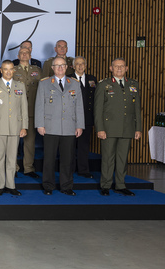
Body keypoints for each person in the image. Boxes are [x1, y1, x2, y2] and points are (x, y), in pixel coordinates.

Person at [35, 57, 84, 196]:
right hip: (50, 126)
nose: (60, 68)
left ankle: (66, 186)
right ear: (52, 68)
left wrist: (79, 125)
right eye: (57, 66)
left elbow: (79, 107)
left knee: (67, 159)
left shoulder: (74, 84)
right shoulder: (44, 84)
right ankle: (48, 185)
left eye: (62, 65)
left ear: (67, 67)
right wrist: (40, 124)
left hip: (69, 126)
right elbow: (39, 106)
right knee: (49, 159)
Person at [95, 58, 141, 196]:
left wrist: (138, 128)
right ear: (111, 68)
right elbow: (98, 110)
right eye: (116, 66)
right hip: (109, 128)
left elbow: (137, 108)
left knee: (122, 158)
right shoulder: (104, 84)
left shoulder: (133, 84)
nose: (119, 69)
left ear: (126, 68)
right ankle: (105, 185)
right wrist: (100, 128)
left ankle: (120, 185)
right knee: (108, 158)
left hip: (127, 127)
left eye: (122, 66)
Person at [0, 60, 27, 196]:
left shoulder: (20, 85)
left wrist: (24, 126)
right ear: (1, 71)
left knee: (12, 158)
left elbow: (24, 108)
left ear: (13, 70)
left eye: (10, 69)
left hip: (15, 127)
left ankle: (10, 185)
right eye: (5, 69)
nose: (8, 72)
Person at [12, 47, 42, 178]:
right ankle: (13, 168)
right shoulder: (12, 70)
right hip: (15, 110)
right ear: (18, 56)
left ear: (30, 55)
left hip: (31, 110)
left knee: (29, 141)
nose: (24, 55)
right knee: (14, 141)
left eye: (27, 53)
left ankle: (28, 168)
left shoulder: (38, 71)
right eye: (22, 53)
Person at [70, 56, 97, 178]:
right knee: (69, 145)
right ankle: (69, 169)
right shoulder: (68, 79)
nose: (80, 66)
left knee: (84, 145)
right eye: (77, 64)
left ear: (85, 66)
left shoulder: (92, 79)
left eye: (82, 64)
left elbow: (95, 98)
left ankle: (83, 170)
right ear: (73, 66)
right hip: (70, 117)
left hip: (87, 117)